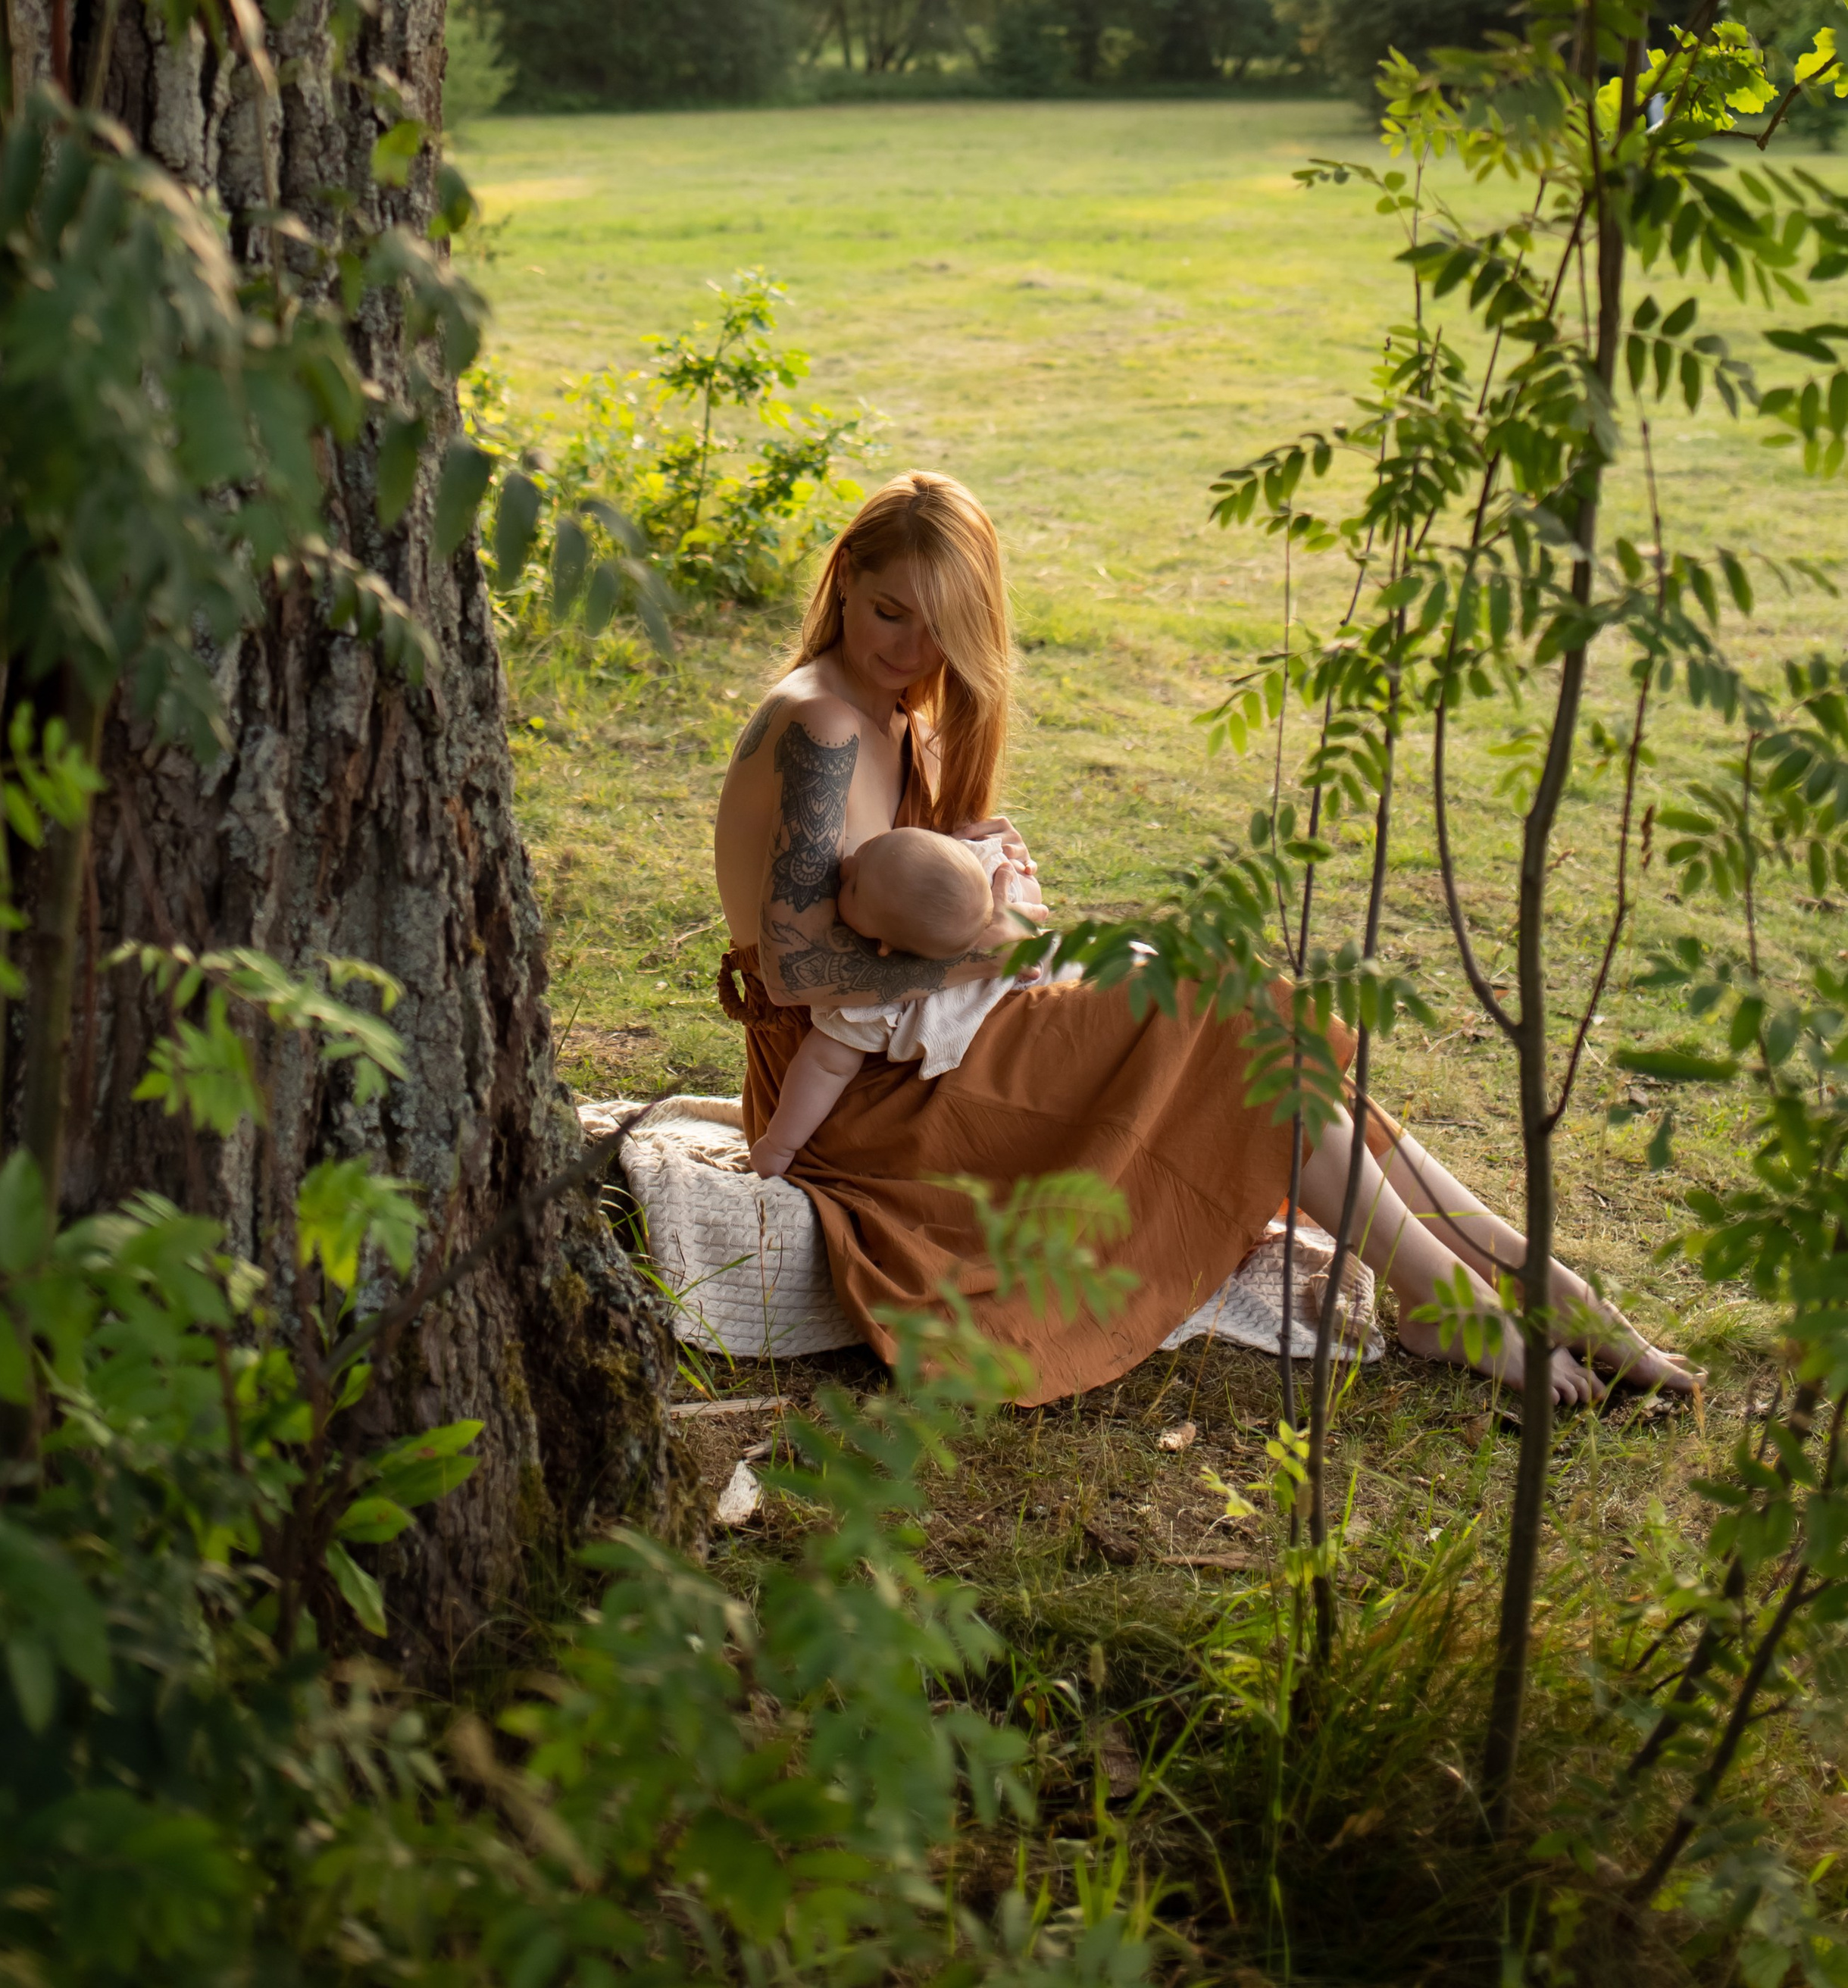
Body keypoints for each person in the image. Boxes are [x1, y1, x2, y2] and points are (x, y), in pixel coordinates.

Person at [714, 470, 1697, 1405]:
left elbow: (942, 925)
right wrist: (987, 946)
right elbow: (800, 970)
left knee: (1252, 1031)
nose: (915, 651)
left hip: (931, 1040)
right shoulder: (824, 728)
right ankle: (1458, 1302)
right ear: (845, 580)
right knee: (1223, 1026)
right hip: (861, 1095)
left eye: (946, 629)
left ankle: (1528, 1279)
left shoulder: (901, 723)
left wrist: (995, 897)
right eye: (893, 614)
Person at [747, 827, 1040, 1179]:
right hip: (1027, 980)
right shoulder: (988, 873)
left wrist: (780, 1144)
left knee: (827, 1053)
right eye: (871, 847)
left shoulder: (875, 1006)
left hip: (944, 1083)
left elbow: (826, 1068)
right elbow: (1030, 895)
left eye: (852, 889)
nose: (848, 865)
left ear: (883, 947)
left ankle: (780, 1145)